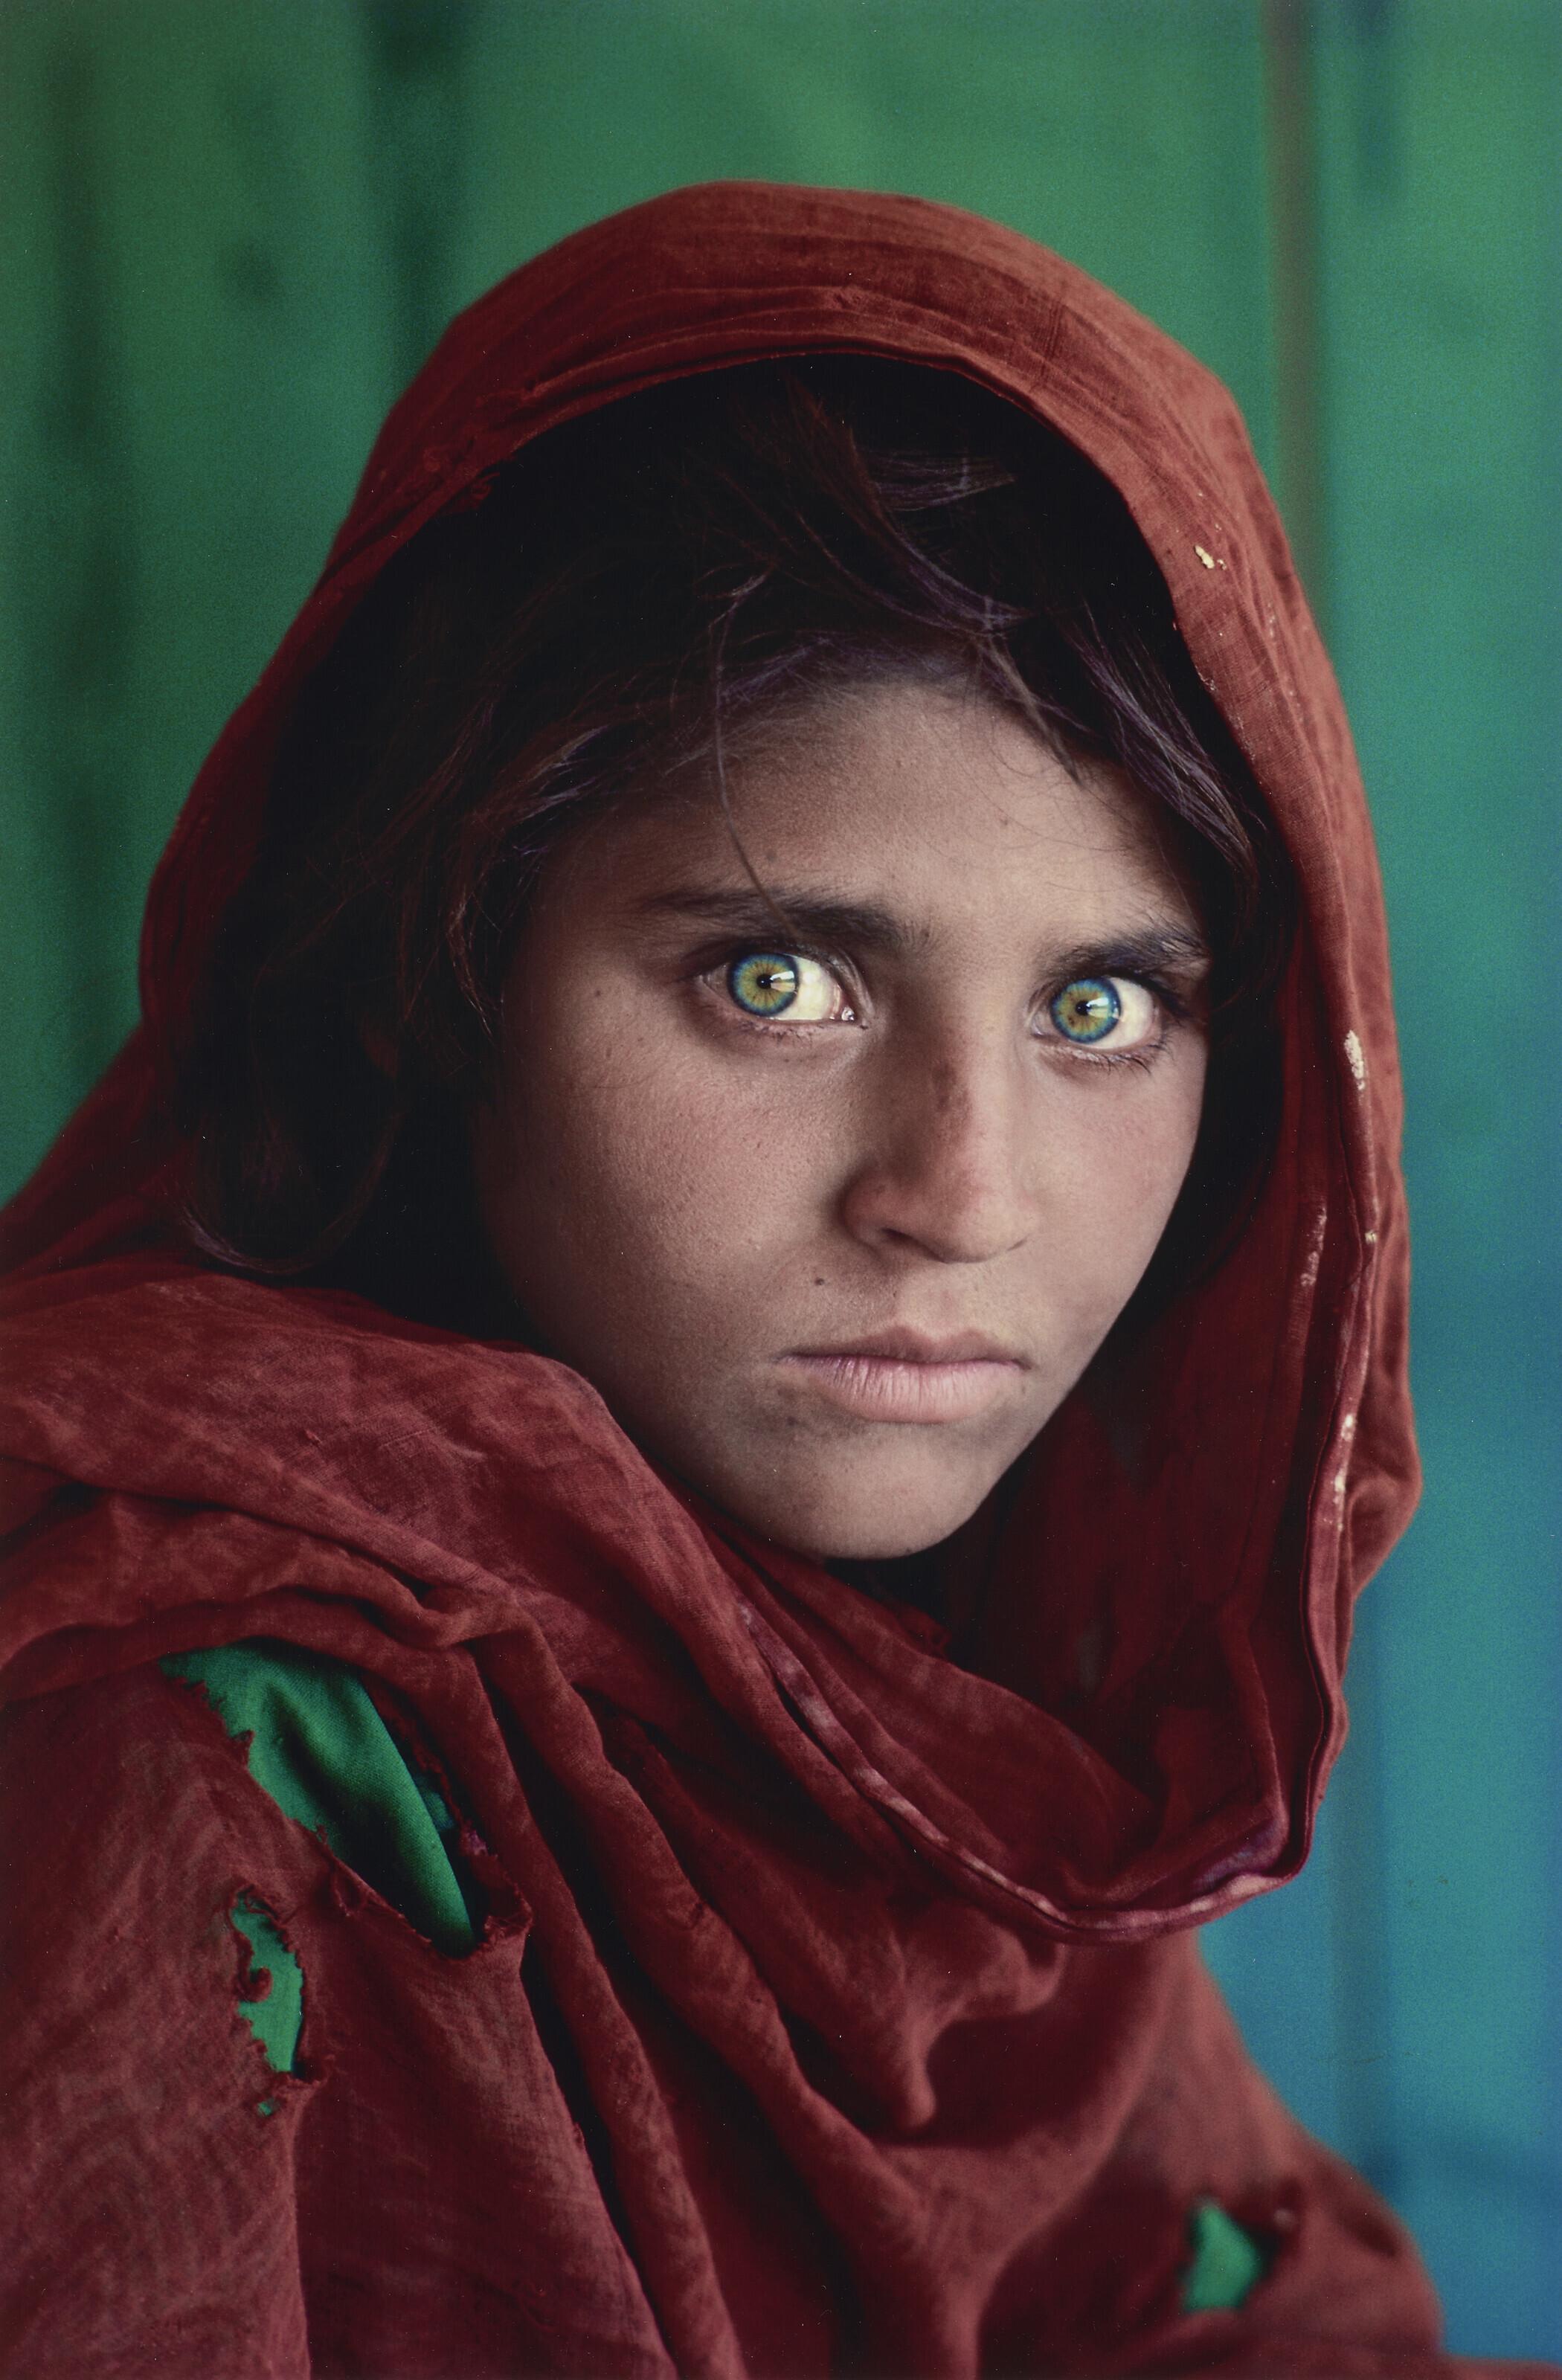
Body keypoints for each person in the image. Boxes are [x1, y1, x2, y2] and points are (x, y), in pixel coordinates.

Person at [0, 182, 1545, 2379]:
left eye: (1102, 1009)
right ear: (428, 977)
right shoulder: (182, 1729)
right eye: (777, 974)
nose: (960, 1196)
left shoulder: (945, 1733)